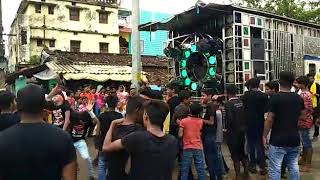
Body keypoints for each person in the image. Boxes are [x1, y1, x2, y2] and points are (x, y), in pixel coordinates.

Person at [0, 84, 76, 180]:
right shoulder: (63, 138)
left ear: (17, 106)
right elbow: (69, 177)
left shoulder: (3, 139)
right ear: (44, 106)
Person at [103, 100, 178, 180]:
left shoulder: (137, 137)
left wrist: (112, 125)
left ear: (146, 116)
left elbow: (106, 147)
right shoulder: (173, 141)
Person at [263, 72, 304, 180]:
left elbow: (269, 119)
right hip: (294, 138)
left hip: (278, 139)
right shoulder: (298, 98)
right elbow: (303, 115)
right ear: (292, 83)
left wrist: (264, 135)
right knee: (293, 165)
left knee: (275, 168)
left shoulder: (275, 99)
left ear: (279, 82)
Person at [103, 96, 145, 180]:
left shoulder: (116, 127)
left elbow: (105, 147)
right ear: (137, 110)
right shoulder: (138, 131)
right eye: (144, 111)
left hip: (111, 174)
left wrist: (112, 125)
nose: (145, 114)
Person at [242, 78, 268, 175]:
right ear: (258, 85)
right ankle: (262, 166)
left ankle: (252, 165)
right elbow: (266, 110)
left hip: (249, 123)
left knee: (251, 144)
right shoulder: (264, 96)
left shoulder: (246, 95)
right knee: (260, 144)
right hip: (260, 122)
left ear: (250, 86)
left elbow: (243, 109)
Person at [225, 84, 249, 179]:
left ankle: (238, 175)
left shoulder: (228, 104)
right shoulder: (241, 102)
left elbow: (229, 119)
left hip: (233, 133)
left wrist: (226, 129)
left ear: (227, 93)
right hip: (243, 131)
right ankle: (246, 173)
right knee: (243, 153)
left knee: (235, 155)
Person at [97, 95, 123, 180]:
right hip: (115, 143)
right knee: (112, 165)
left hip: (103, 142)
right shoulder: (120, 116)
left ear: (107, 103)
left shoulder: (101, 116)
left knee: (102, 165)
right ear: (116, 103)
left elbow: (97, 132)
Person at [201, 89, 225, 180]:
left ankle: (213, 176)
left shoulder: (210, 106)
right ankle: (218, 175)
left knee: (210, 157)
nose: (202, 97)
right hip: (213, 134)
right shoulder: (215, 106)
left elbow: (211, 122)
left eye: (203, 95)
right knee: (216, 156)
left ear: (209, 96)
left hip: (209, 135)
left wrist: (200, 120)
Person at [179, 103, 206, 180]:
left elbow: (180, 135)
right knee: (200, 168)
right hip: (198, 146)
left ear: (190, 110)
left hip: (187, 147)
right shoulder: (200, 121)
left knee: (185, 169)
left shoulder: (183, 121)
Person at [296, 76, 314, 172]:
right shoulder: (305, 93)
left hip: (304, 121)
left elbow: (304, 110)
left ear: (303, 84)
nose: (297, 85)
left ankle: (308, 164)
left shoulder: (304, 95)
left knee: (307, 143)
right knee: (304, 142)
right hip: (304, 121)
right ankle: (304, 160)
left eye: (298, 83)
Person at [306, 73, 320, 141]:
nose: (310, 79)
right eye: (308, 78)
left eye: (311, 78)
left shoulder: (317, 85)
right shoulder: (306, 85)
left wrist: (313, 93)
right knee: (308, 120)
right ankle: (307, 135)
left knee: (315, 120)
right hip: (308, 106)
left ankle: (316, 135)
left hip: (315, 106)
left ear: (313, 79)